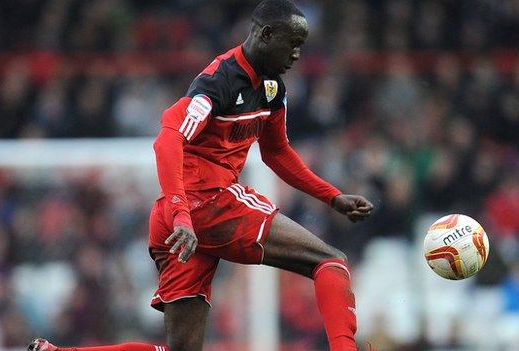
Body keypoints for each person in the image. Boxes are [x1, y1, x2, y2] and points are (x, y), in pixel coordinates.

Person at [29, 1, 376, 350]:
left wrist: (332, 196)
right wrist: (183, 214)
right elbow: (168, 139)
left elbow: (277, 152)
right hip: (205, 205)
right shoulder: (219, 82)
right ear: (267, 35)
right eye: (293, 43)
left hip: (177, 223)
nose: (298, 54)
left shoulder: (272, 88)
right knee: (331, 260)